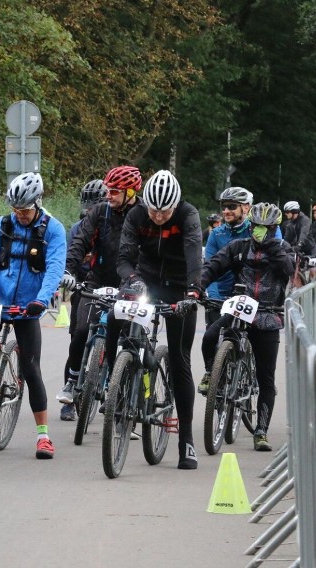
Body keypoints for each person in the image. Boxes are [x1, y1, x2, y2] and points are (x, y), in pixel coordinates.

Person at [115, 169, 202, 470]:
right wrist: (133, 280)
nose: (158, 215)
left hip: (179, 286)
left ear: (175, 205)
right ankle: (119, 387)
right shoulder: (138, 214)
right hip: (146, 281)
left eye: (164, 210)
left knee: (179, 360)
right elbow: (124, 257)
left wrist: (193, 293)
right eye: (153, 209)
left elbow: (194, 257)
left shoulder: (188, 215)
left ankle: (186, 441)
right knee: (121, 328)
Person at [0, 172, 66, 459]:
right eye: (16, 210)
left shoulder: (53, 230)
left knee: (30, 368)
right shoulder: (2, 224)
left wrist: (41, 302)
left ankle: (43, 436)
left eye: (26, 210)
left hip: (28, 306)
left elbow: (54, 268)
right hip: (0, 299)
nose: (21, 215)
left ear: (38, 203)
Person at [200, 203, 293, 451]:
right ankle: (212, 373)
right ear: (250, 226)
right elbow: (213, 266)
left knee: (266, 377)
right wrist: (197, 286)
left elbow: (288, 270)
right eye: (256, 227)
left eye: (266, 228)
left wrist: (271, 246)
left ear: (274, 229)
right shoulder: (238, 247)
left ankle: (261, 431)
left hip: (268, 315)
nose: (260, 231)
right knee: (209, 335)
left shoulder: (282, 249)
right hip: (239, 309)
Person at [57, 166, 143, 421]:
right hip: (97, 281)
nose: (110, 195)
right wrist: (69, 271)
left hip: (130, 285)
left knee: (130, 342)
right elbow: (80, 241)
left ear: (131, 192)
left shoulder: (144, 216)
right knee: (81, 330)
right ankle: (72, 382)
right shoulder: (100, 212)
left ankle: (122, 395)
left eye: (115, 191)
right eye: (109, 190)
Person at [201, 187, 255, 331]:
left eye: (231, 206)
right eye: (224, 207)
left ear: (246, 207)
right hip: (220, 294)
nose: (225, 211)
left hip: (248, 295)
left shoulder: (256, 231)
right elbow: (209, 266)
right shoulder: (216, 234)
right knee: (210, 340)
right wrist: (212, 295)